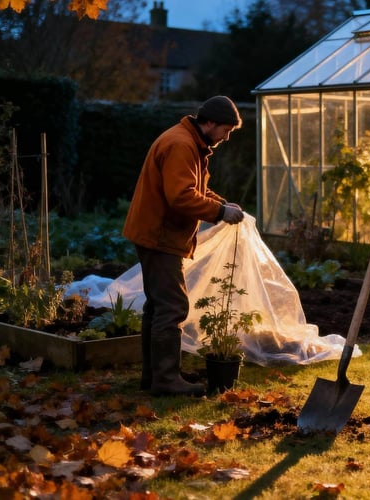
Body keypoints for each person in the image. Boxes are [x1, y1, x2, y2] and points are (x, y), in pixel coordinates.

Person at [123, 96, 245, 396]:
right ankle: (166, 380)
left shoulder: (189, 142)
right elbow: (181, 196)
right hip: (160, 236)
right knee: (172, 306)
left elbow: (195, 189)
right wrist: (220, 212)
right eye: (226, 130)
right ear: (210, 122)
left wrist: (222, 203)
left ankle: (154, 377)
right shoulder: (181, 144)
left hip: (155, 233)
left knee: (157, 306)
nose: (227, 137)